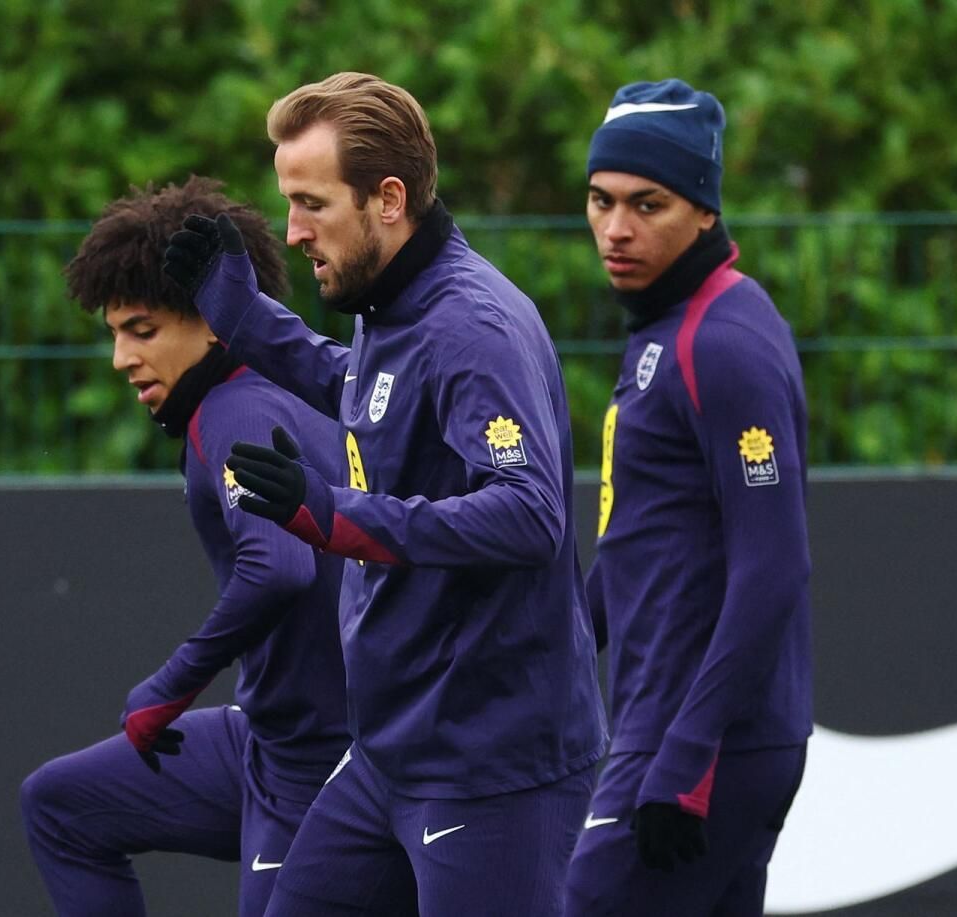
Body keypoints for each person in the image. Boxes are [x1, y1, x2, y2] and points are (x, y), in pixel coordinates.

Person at [164, 72, 607, 917]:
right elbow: (369, 391)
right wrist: (243, 317)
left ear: (389, 200)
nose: (292, 231)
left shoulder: (472, 326)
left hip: (490, 767)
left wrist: (334, 514)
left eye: (312, 204)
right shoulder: (391, 304)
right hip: (389, 754)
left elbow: (531, 515)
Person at [19, 176, 350, 917]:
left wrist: (168, 685)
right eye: (114, 333)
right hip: (270, 741)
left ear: (214, 320)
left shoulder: (233, 411)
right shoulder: (282, 389)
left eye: (141, 330)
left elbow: (280, 565)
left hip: (318, 764)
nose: (120, 358)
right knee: (61, 804)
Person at [563, 79, 813, 916]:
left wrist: (687, 756)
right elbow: (636, 542)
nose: (616, 228)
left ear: (704, 210)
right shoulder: (663, 328)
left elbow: (774, 568)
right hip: (670, 728)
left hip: (702, 744)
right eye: (600, 200)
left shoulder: (726, 340)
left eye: (648, 204)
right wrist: (542, 659)